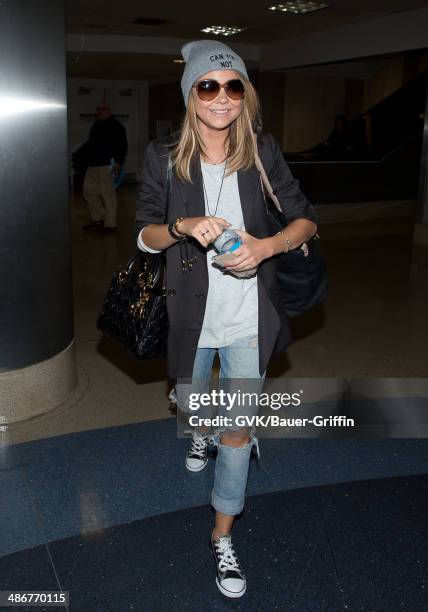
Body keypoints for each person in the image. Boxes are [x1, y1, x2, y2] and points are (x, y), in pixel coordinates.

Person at [135, 40, 317, 599]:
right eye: (208, 85)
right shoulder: (164, 157)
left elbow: (306, 220)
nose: (221, 97)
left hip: (248, 316)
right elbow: (144, 235)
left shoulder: (261, 152)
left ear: (245, 94)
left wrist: (267, 247)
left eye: (233, 85)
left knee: (238, 427)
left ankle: (222, 533)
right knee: (193, 401)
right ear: (191, 93)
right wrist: (184, 225)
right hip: (188, 313)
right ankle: (197, 429)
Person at [81, 101, 128, 233]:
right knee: (88, 191)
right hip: (92, 165)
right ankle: (99, 218)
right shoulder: (96, 125)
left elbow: (122, 145)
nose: (100, 111)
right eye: (98, 109)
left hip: (107, 165)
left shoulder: (117, 127)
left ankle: (110, 224)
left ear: (110, 111)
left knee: (108, 195)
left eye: (103, 109)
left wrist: (118, 162)